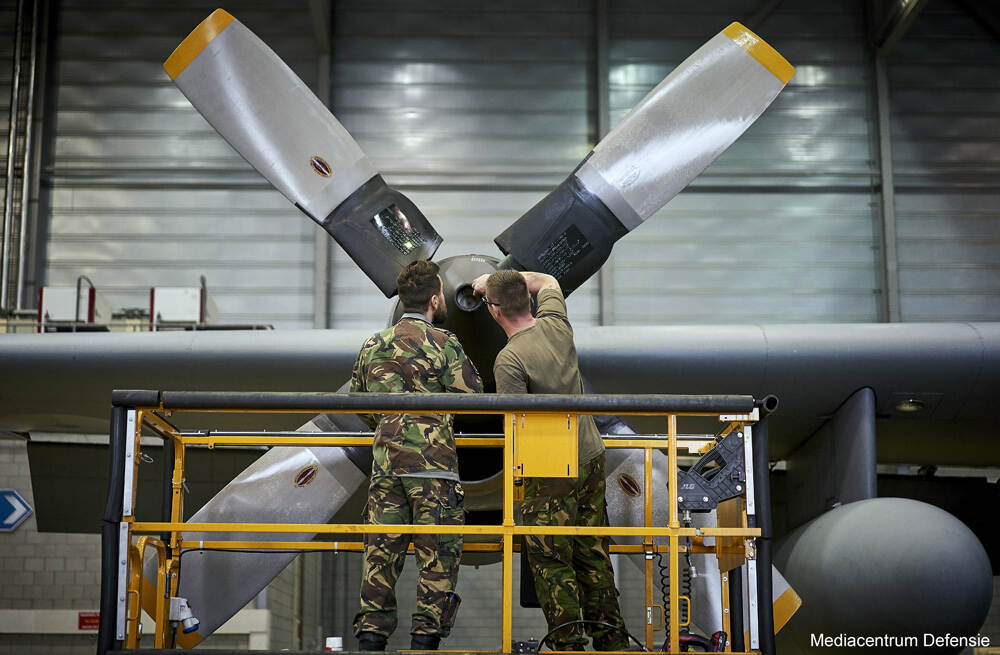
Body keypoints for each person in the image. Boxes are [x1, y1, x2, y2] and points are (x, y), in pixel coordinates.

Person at [471, 270, 629, 651]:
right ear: (527, 300)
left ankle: (568, 644)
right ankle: (612, 640)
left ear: (495, 311)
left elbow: (514, 424)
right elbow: (549, 282)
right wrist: (497, 278)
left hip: (550, 467)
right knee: (592, 552)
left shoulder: (509, 359)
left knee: (551, 560)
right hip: (590, 454)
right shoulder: (557, 325)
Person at [352, 260, 483, 651]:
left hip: (386, 470)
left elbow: (359, 402)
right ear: (435, 299)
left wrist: (390, 423)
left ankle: (371, 639)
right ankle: (424, 642)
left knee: (379, 560)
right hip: (434, 473)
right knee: (437, 561)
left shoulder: (373, 344)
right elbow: (473, 398)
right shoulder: (445, 344)